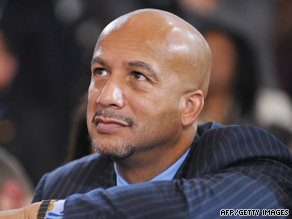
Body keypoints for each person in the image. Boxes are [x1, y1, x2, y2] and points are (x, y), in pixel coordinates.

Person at [0, 8, 291, 218]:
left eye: (138, 76)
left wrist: (54, 212)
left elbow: (195, 210)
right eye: (100, 71)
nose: (106, 96)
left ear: (189, 107)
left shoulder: (250, 158)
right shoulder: (60, 184)